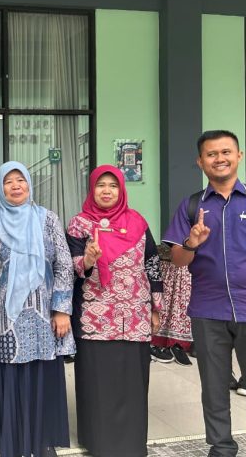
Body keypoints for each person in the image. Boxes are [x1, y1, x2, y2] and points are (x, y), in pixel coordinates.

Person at [163, 129, 246, 457]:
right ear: (200, 162)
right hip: (208, 310)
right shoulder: (192, 205)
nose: (219, 159)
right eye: (211, 154)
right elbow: (178, 260)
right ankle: (221, 448)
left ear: (239, 156)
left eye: (226, 152)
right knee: (214, 388)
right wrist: (191, 243)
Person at [0, 161, 74, 457]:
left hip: (42, 314)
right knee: (11, 374)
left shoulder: (47, 219)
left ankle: (42, 438)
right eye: (8, 182)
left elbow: (64, 264)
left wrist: (61, 309)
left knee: (42, 372)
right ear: (0, 188)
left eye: (21, 180)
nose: (16, 186)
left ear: (29, 184)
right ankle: (11, 438)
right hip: (6, 318)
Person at [66, 164, 162, 457]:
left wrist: (156, 307)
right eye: (100, 185)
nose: (106, 191)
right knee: (97, 382)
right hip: (95, 317)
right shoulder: (79, 225)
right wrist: (88, 260)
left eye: (113, 185)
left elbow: (152, 264)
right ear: (92, 189)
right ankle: (98, 441)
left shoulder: (138, 222)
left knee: (133, 381)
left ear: (121, 190)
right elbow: (69, 268)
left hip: (134, 315)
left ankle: (132, 443)